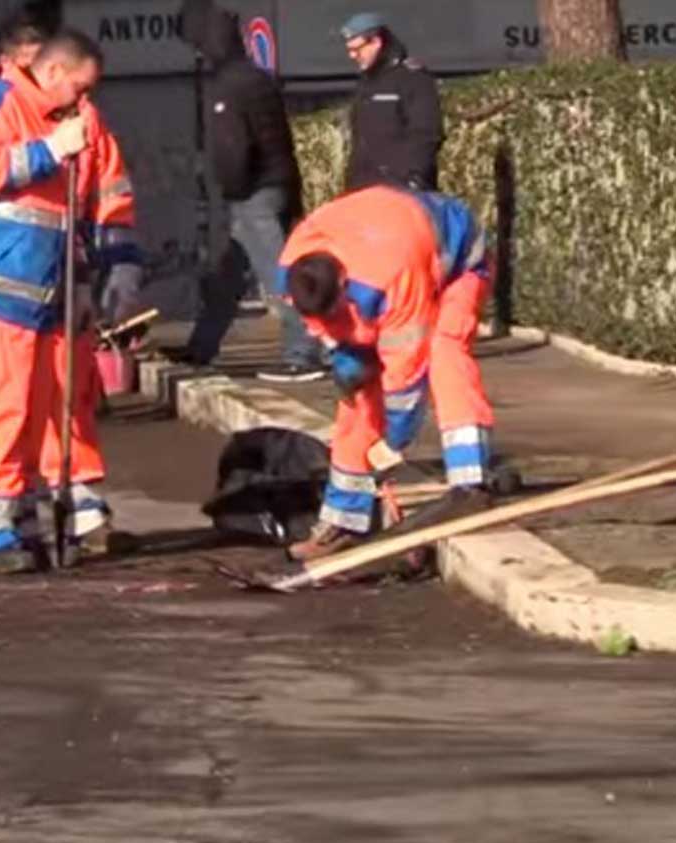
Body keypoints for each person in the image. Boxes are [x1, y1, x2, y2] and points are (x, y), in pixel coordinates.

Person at [0, 24, 143, 563]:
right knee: (0, 404)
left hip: (40, 286)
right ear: (55, 71)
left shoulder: (75, 121)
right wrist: (48, 150)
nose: (86, 100)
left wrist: (111, 272)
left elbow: (102, 199)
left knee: (39, 404)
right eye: (80, 87)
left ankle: (11, 518)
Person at [276, 183, 495, 561]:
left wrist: (388, 447)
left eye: (327, 318)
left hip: (458, 261)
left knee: (445, 351)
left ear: (343, 288)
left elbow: (405, 384)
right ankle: (344, 519)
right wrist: (346, 357)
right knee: (357, 396)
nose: (316, 329)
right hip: (390, 244)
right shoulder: (294, 265)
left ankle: (469, 482)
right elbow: (331, 332)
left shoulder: (395, 277)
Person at [175, 6, 323, 383]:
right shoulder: (258, 78)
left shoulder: (227, 86)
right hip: (275, 185)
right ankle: (201, 346)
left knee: (280, 275)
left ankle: (304, 351)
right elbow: (281, 139)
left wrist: (230, 188)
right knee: (229, 272)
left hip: (252, 193)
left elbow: (232, 147)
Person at [340, 12, 444, 192]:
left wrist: (413, 178)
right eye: (349, 50)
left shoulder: (412, 78)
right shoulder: (366, 83)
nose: (352, 56)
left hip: (402, 189)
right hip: (364, 188)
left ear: (376, 42)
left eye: (357, 49)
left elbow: (426, 133)